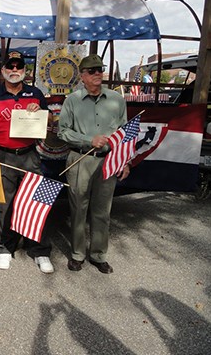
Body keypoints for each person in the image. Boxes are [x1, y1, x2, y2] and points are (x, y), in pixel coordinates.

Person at [0, 51, 54, 273]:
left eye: (19, 67)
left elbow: (50, 119)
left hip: (30, 154)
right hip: (2, 154)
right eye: (10, 67)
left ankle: (40, 251)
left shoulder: (36, 93)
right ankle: (4, 249)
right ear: (2, 70)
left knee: (36, 203)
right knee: (4, 204)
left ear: (24, 71)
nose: (14, 70)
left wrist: (41, 111)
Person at [58, 54, 130, 274]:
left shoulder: (117, 100)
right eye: (92, 70)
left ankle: (98, 255)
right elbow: (62, 131)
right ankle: (78, 254)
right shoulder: (72, 100)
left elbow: (125, 133)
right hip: (81, 160)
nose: (97, 73)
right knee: (78, 209)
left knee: (102, 211)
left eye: (100, 69)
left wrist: (125, 161)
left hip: (109, 162)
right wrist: (89, 140)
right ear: (82, 76)